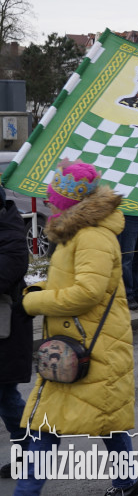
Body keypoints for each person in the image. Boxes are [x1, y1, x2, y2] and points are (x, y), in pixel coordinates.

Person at [17, 160, 138, 496]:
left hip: (94, 345)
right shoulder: (78, 234)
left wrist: (34, 303)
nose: (46, 201)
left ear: (69, 202)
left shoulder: (92, 238)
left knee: (66, 423)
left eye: (53, 197)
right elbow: (72, 281)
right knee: (103, 420)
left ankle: (25, 493)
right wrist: (41, 289)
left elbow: (87, 292)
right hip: (73, 345)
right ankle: (127, 484)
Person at [0, 186, 31, 480]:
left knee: (5, 394)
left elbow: (7, 271)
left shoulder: (10, 229)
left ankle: (29, 448)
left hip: (5, 330)